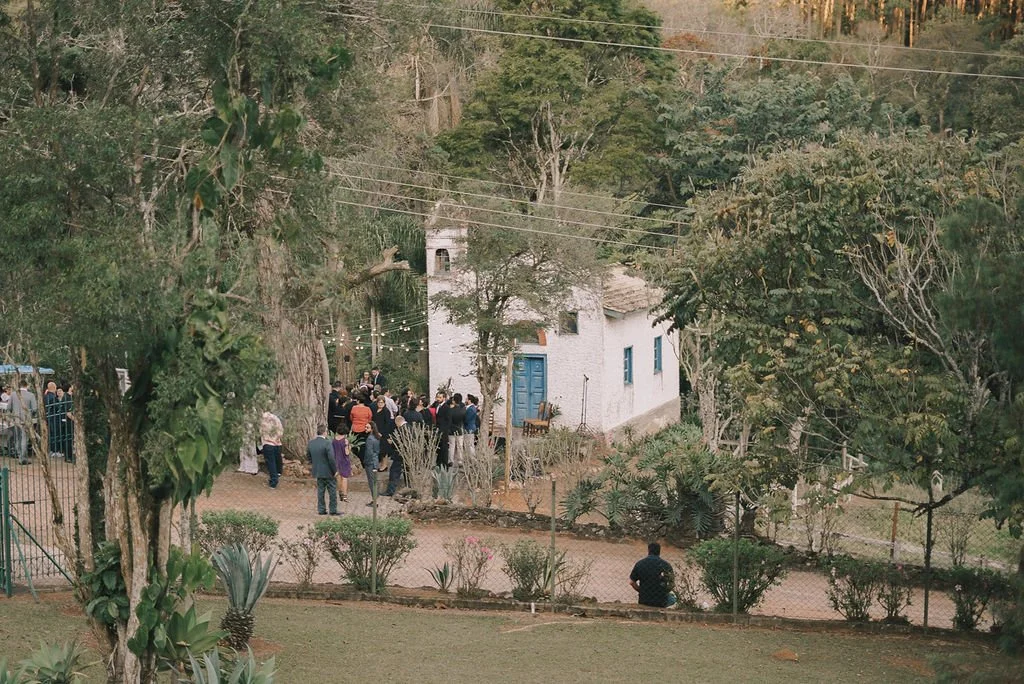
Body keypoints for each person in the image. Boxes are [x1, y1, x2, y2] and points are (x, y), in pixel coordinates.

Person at [629, 542, 677, 608]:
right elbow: (672, 584)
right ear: (659, 551)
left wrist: (641, 591)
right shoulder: (666, 565)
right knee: (673, 598)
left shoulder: (640, 563)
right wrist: (664, 592)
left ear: (648, 550)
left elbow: (632, 582)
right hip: (660, 600)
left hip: (644, 599)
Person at [308, 424, 339, 516]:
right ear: (325, 432)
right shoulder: (327, 443)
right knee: (332, 490)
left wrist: (315, 464)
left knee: (320, 491)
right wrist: (335, 470)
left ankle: (321, 509)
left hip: (317, 470)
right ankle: (333, 510)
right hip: (328, 471)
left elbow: (308, 456)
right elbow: (331, 458)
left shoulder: (311, 443)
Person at [8, 380, 37, 465]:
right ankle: (23, 458)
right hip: (26, 420)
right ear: (26, 385)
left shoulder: (13, 394)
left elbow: (9, 407)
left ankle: (19, 455)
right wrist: (31, 415)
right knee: (24, 439)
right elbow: (34, 409)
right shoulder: (31, 395)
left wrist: (13, 414)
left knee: (18, 438)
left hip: (16, 419)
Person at [383, 415, 408, 497]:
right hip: (408, 456)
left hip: (400, 455)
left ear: (397, 422)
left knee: (394, 472)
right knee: (407, 474)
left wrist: (392, 442)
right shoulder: (410, 427)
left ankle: (390, 491)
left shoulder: (402, 429)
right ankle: (409, 489)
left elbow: (401, 442)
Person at [259, 411, 284, 489]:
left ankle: (273, 482)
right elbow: (281, 431)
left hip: (268, 444)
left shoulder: (262, 420)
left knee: (271, 463)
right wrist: (276, 439)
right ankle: (278, 474)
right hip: (277, 443)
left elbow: (261, 432)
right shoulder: (276, 418)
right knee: (277, 461)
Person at [362, 421, 381, 505]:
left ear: (372, 429)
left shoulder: (370, 439)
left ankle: (375, 501)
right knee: (374, 481)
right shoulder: (376, 437)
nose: (365, 429)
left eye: (367, 427)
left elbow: (369, 452)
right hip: (375, 461)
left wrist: (366, 462)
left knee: (371, 482)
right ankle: (375, 498)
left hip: (370, 462)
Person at [447, 393, 467, 468]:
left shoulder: (450, 410)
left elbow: (449, 421)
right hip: (459, 429)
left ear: (454, 401)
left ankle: (450, 460)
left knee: (451, 446)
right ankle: (460, 461)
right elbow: (464, 420)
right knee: (460, 446)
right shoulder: (463, 411)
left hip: (451, 430)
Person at [332, 429, 352, 502]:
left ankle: (340, 492)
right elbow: (347, 453)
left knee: (338, 477)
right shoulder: (345, 441)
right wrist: (349, 447)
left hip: (336, 460)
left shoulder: (334, 440)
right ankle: (345, 496)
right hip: (344, 461)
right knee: (344, 478)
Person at [463, 394, 480, 460]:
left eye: (466, 399)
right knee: (469, 444)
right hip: (469, 428)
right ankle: (469, 458)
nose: (465, 400)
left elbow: (467, 419)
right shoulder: (471, 408)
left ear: (469, 400)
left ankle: (472, 458)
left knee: (470, 444)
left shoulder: (471, 409)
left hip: (469, 428)